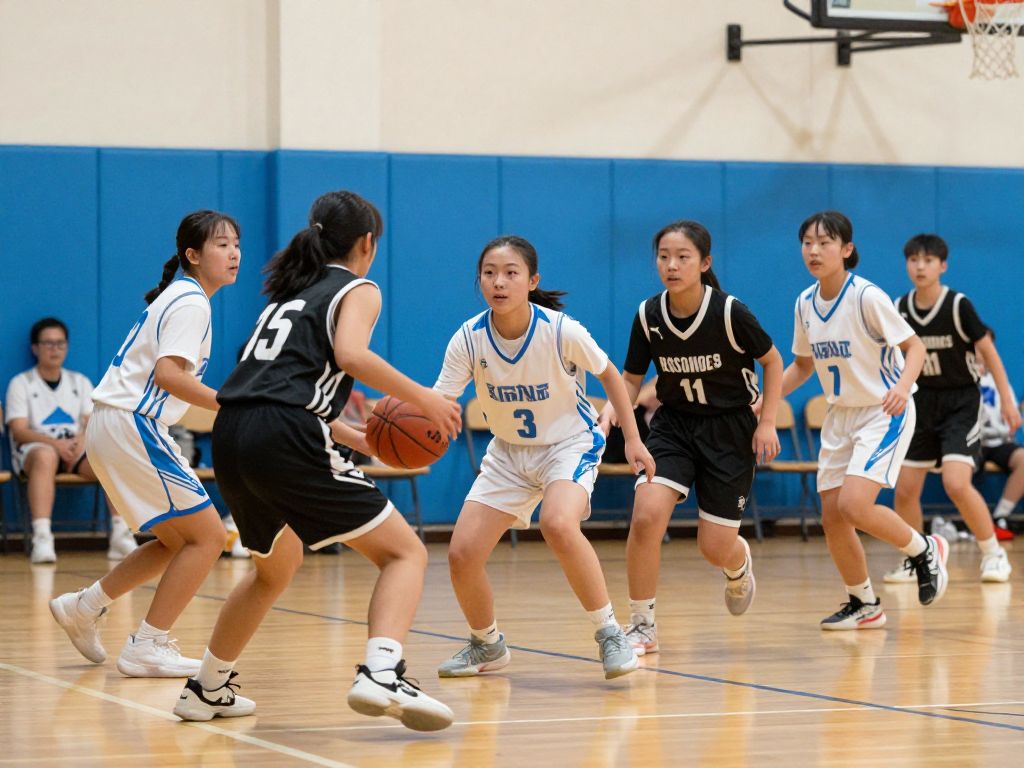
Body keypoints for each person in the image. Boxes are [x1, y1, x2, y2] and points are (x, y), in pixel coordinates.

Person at [172, 191, 461, 731]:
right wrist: (425, 397)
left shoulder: (290, 294)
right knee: (405, 554)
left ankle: (206, 688)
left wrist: (362, 438)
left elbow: (278, 389)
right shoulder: (359, 288)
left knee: (273, 569)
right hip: (282, 432)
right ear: (367, 243)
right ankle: (382, 671)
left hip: (233, 432)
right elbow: (352, 356)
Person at [434, 235, 656, 680]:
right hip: (508, 454)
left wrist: (632, 439)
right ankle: (486, 643)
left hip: (569, 444)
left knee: (557, 522)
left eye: (511, 273)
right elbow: (441, 400)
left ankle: (610, 632)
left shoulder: (559, 330)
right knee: (461, 554)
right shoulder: (469, 338)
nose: (499, 282)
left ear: (532, 280)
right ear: (479, 280)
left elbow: (611, 376)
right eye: (490, 273)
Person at [49, 210, 241, 677]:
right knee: (209, 537)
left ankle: (85, 605)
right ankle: (147, 645)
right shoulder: (192, 302)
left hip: (117, 424)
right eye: (221, 245)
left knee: (177, 540)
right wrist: (232, 404)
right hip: (134, 424)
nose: (234, 252)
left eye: (236, 243)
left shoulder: (183, 296)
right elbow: (169, 376)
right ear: (192, 255)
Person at [597, 220, 783, 656]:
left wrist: (768, 421)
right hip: (674, 427)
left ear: (704, 263)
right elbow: (629, 379)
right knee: (645, 515)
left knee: (713, 546)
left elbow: (773, 363)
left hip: (729, 431)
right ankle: (642, 625)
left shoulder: (731, 313)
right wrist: (611, 413)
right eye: (664, 256)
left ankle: (737, 566)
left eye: (682, 257)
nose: (672, 265)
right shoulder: (648, 315)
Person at [780, 211, 946, 630]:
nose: (814, 251)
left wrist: (901, 386)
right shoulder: (804, 303)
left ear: (847, 249)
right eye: (807, 243)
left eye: (825, 242)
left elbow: (916, 348)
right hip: (841, 416)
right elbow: (801, 367)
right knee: (833, 516)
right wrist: (763, 402)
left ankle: (924, 548)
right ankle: (864, 603)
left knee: (855, 505)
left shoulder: (866, 297)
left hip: (883, 410)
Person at [887, 235, 1020, 584]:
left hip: (960, 402)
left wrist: (1006, 399)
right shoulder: (898, 308)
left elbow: (988, 352)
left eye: (928, 260)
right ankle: (916, 560)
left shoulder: (957, 305)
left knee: (956, 483)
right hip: (921, 402)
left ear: (942, 266)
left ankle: (993, 553)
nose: (920, 266)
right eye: (914, 260)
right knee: (904, 489)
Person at [5, 318, 137, 563]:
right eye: (48, 343)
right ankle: (42, 538)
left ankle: (120, 533)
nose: (54, 349)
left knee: (109, 455)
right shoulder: (21, 383)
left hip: (75, 448)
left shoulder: (80, 382)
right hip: (36, 450)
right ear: (35, 348)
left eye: (60, 343)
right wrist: (56, 445)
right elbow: (19, 430)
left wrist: (79, 439)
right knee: (46, 455)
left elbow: (91, 421)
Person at [975, 330, 1023, 538]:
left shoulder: (998, 378)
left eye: (988, 347)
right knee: (958, 469)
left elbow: (1010, 409)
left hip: (999, 442)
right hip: (971, 441)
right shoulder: (961, 374)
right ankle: (976, 522)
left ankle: (1000, 517)